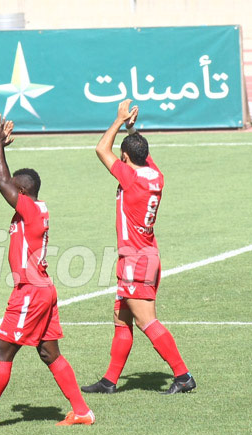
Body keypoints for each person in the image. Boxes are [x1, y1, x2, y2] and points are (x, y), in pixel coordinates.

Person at [0, 115, 95, 430]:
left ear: (22, 191)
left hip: (30, 291)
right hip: (42, 288)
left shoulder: (28, 209)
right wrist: (3, 151)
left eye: (14, 190)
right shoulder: (34, 206)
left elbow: (2, 181)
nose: (8, 194)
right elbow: (10, 180)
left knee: (2, 352)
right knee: (48, 352)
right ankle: (82, 411)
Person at [82, 100, 196, 395]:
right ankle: (109, 381)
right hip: (146, 254)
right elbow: (141, 155)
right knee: (121, 317)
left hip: (136, 260)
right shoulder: (155, 176)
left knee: (147, 322)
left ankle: (183, 375)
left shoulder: (131, 179)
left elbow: (100, 150)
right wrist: (133, 129)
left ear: (125, 157)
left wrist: (119, 120)